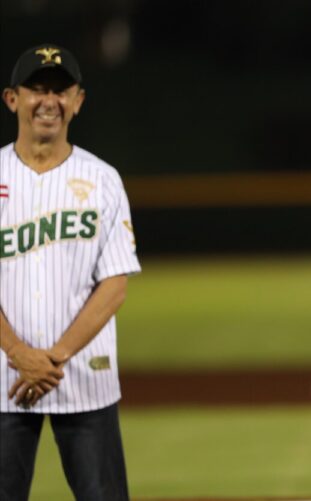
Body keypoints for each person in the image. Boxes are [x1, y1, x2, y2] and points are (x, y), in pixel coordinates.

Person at [0, 44, 140, 500]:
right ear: (12, 99)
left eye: (61, 91)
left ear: (78, 101)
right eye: (36, 89)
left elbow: (115, 284)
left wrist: (53, 357)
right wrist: (18, 352)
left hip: (82, 379)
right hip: (4, 379)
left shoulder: (103, 179)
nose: (49, 101)